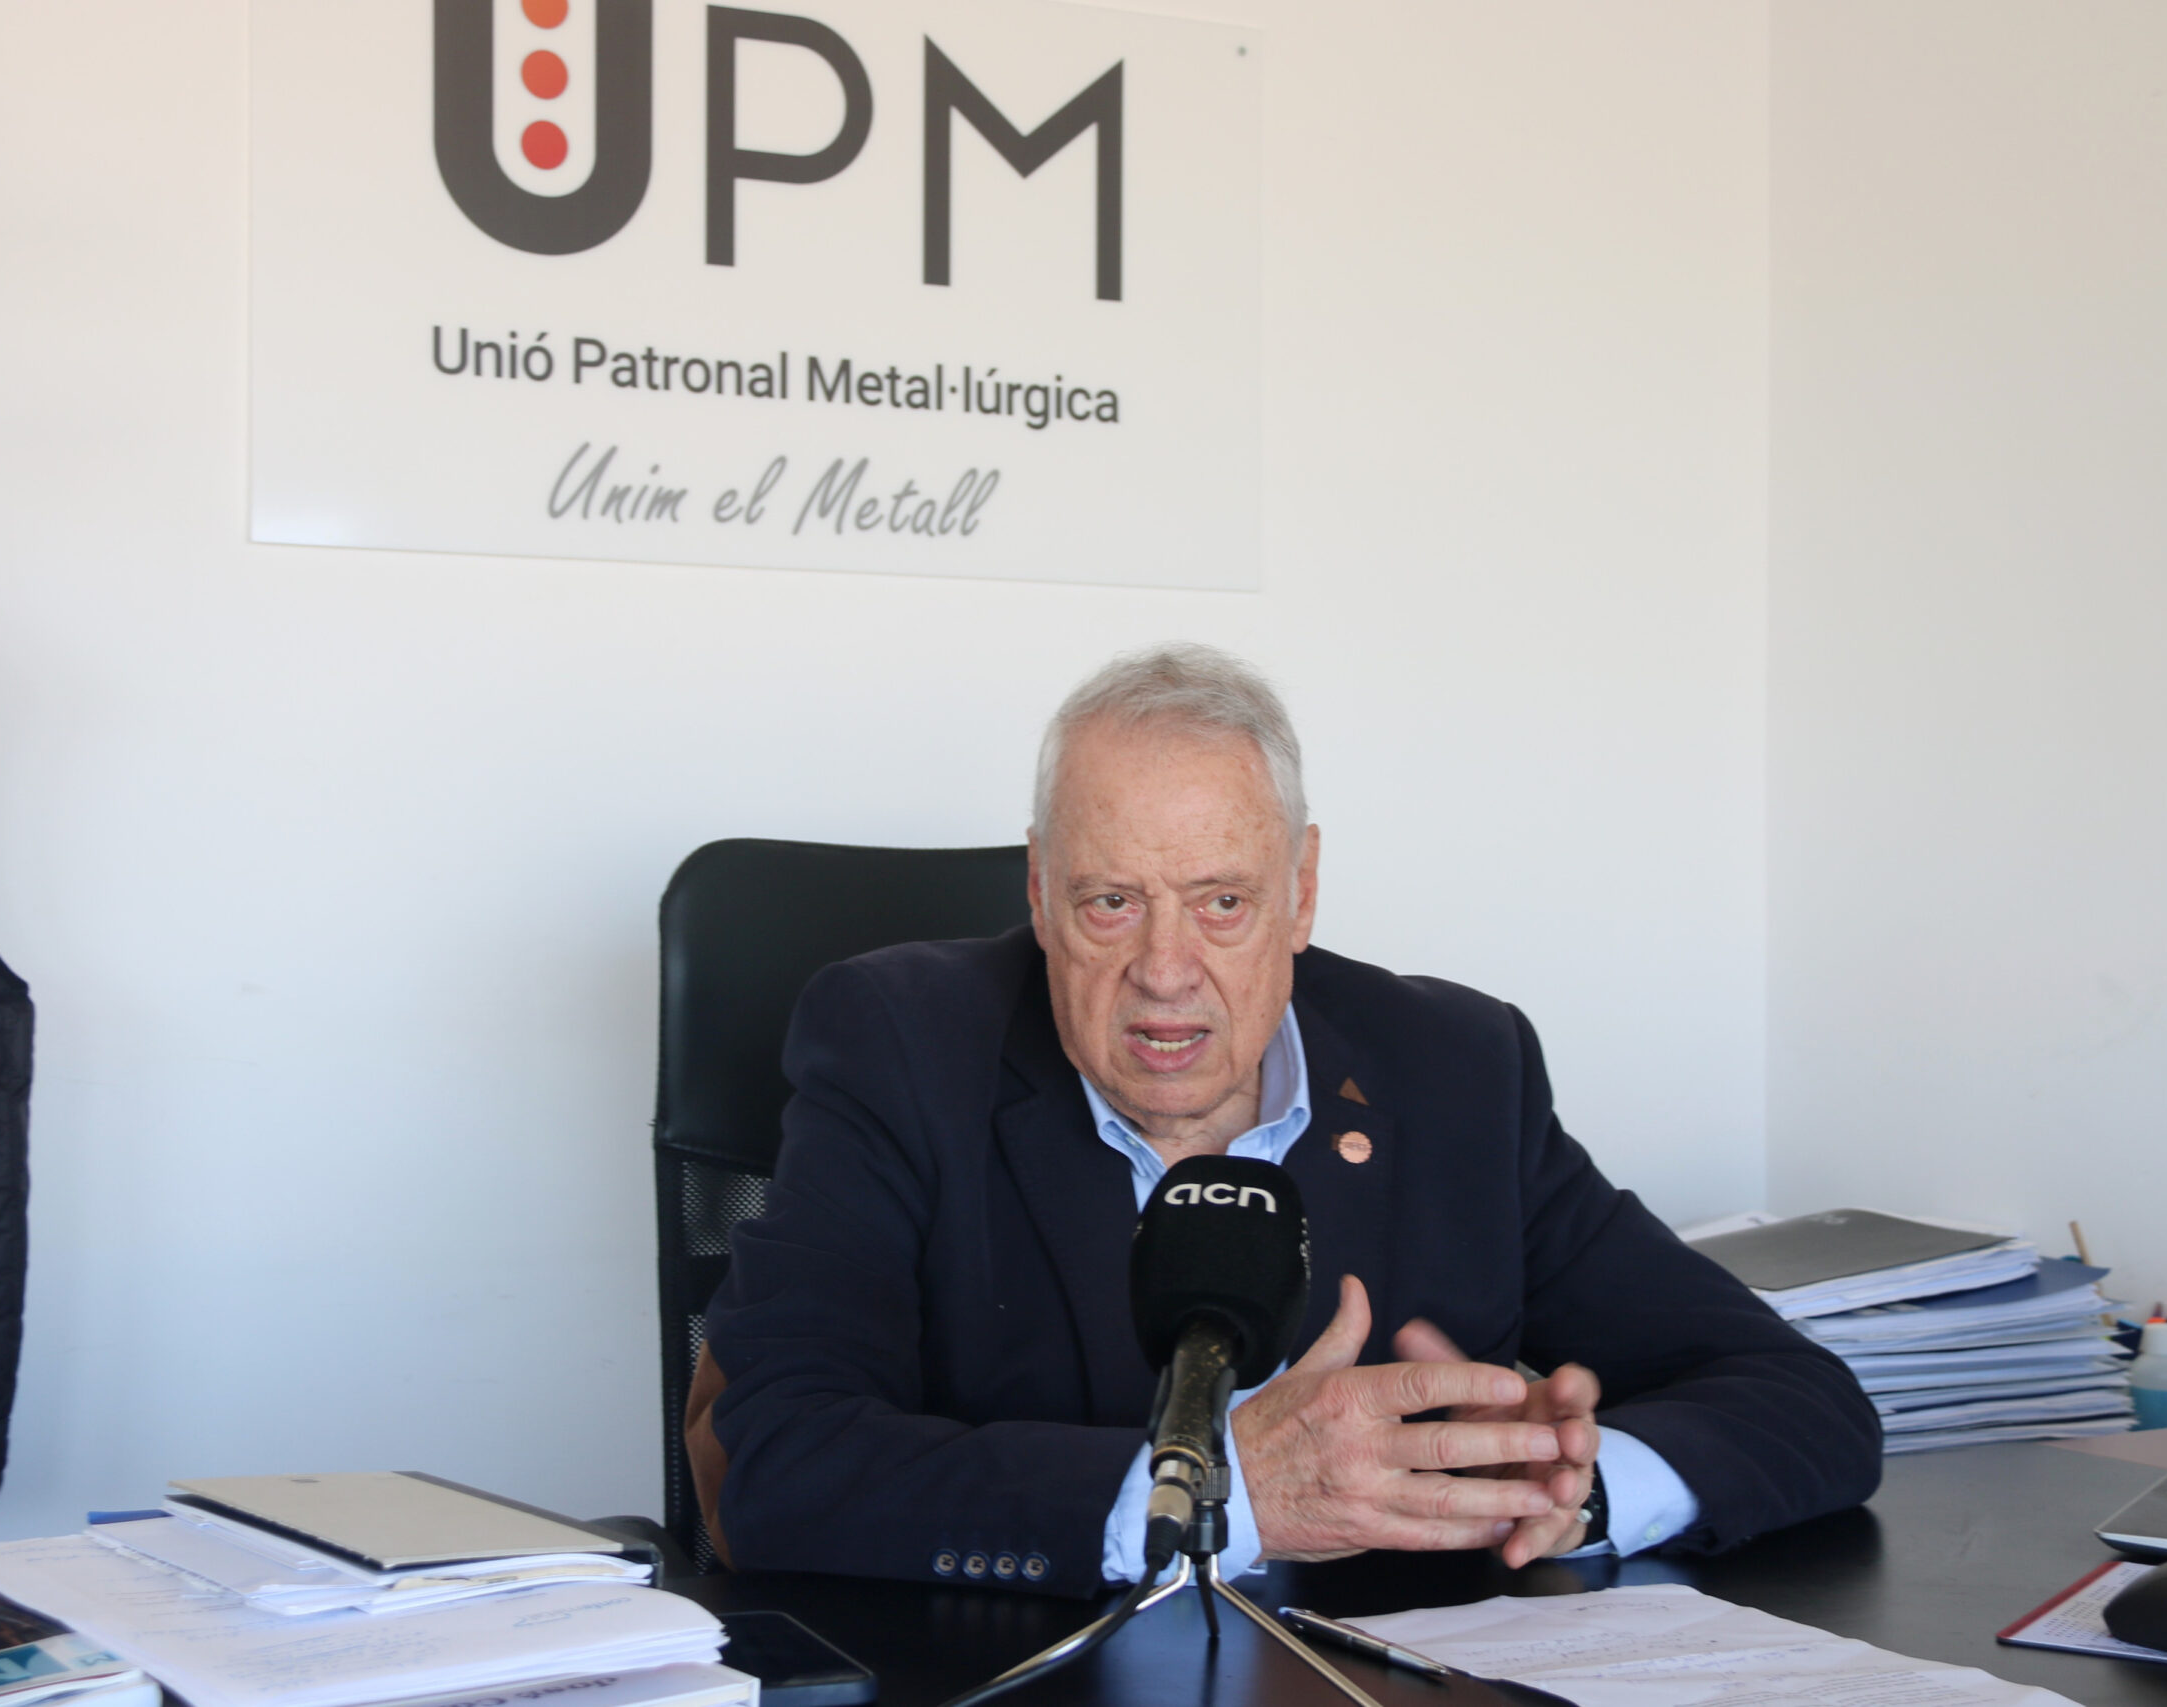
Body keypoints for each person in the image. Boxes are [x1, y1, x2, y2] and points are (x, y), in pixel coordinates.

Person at [694, 644, 1879, 1596]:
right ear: (1040, 895)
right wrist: (1226, 1492)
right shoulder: (902, 1045)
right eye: (1110, 903)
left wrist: (1561, 1483)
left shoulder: (1455, 1069)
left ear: (1301, 893)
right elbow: (774, 1459)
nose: (1167, 969)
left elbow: (1801, 1401)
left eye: (1222, 902)